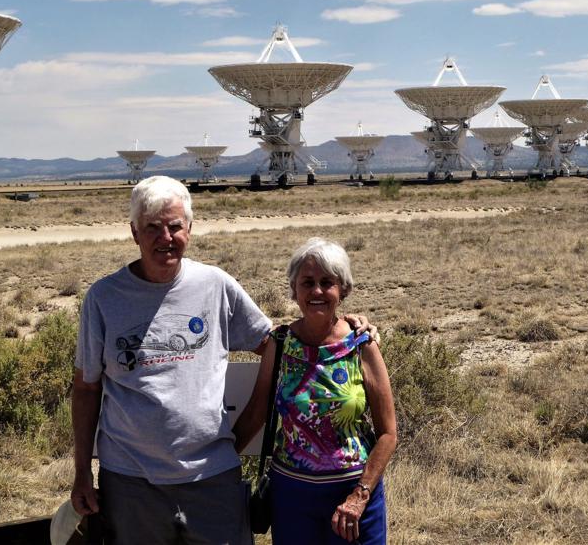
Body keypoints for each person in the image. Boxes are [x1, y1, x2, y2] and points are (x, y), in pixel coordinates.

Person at [71, 176, 374, 545]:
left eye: (174, 226)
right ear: (134, 232)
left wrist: (342, 327)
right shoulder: (103, 298)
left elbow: (277, 347)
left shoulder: (215, 285)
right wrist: (82, 472)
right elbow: (86, 389)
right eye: (152, 227)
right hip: (132, 481)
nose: (165, 238)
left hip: (212, 478)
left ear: (190, 229)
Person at [234, 238, 397, 545]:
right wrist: (219, 467)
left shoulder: (362, 345)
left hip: (352, 498)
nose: (317, 291)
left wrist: (360, 496)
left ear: (343, 290)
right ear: (294, 290)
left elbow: (388, 433)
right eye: (307, 282)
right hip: (292, 497)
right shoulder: (280, 344)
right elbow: (256, 414)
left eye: (327, 282)